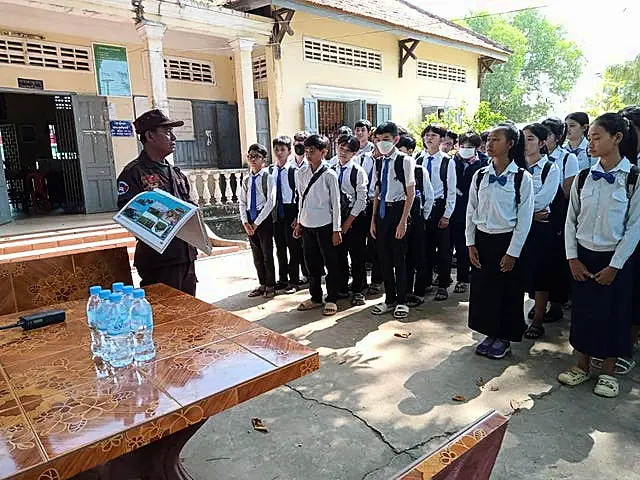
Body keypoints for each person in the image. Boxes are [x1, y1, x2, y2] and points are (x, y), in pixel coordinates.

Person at [558, 112, 640, 398]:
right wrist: (572, 258)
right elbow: (571, 220)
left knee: (615, 314)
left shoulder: (633, 178)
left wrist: (615, 266)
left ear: (616, 138)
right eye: (589, 137)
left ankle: (608, 371)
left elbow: (634, 227)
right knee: (583, 312)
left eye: (596, 137)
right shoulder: (583, 177)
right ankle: (581, 365)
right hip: (583, 256)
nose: (590, 143)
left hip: (615, 259)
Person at [466, 123, 534, 359]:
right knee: (484, 291)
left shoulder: (522, 178)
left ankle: (503, 337)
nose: (489, 144)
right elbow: (471, 211)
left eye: (496, 140)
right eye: (489, 139)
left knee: (507, 291)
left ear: (510, 144)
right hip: (483, 241)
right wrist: (470, 243)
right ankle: (488, 333)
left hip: (507, 241)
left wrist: (513, 252)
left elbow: (524, 219)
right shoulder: (480, 175)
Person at [117, 109, 198, 295]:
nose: (174, 138)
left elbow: (190, 208)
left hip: (185, 256)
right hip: (159, 261)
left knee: (190, 315)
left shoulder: (176, 173)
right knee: (165, 317)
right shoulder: (134, 173)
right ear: (150, 136)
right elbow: (130, 216)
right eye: (167, 132)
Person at [369, 122, 415, 319]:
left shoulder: (404, 161)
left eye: (386, 140)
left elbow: (410, 192)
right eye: (378, 140)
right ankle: (390, 299)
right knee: (384, 258)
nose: (382, 144)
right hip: (382, 214)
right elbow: (378, 192)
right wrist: (373, 220)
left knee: (399, 258)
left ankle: (402, 300)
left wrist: (403, 221)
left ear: (396, 140)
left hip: (398, 211)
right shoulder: (379, 161)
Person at [294, 134, 342, 316]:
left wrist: (336, 229)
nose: (308, 155)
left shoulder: (330, 174)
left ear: (323, 152)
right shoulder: (301, 173)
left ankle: (332, 298)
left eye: (312, 151)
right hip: (307, 225)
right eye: (306, 151)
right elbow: (301, 200)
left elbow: (335, 204)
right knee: (311, 264)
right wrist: (299, 222)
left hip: (326, 225)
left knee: (331, 263)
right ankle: (315, 297)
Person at [521, 124, 562, 340]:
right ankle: (515, 318)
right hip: (519, 228)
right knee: (517, 273)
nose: (526, 143)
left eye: (530, 139)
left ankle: (537, 321)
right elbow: (509, 200)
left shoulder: (550, 169)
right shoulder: (516, 168)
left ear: (542, 143)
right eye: (523, 138)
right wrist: (527, 213)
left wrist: (523, 211)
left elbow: (544, 200)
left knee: (540, 276)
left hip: (540, 230)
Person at [542, 116, 579, 323]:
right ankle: (540, 302)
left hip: (558, 217)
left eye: (547, 135)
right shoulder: (535, 158)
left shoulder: (567, 159)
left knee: (556, 263)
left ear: (557, 137)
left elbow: (567, 191)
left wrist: (545, 190)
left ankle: (555, 305)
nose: (543, 140)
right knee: (540, 263)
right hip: (539, 218)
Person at [417, 124, 457, 301]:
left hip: (440, 207)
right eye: (427, 135)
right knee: (424, 248)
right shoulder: (419, 159)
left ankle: (442, 285)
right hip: (422, 206)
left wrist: (447, 215)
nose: (429, 138)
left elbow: (451, 190)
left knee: (443, 250)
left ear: (441, 139)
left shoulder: (447, 161)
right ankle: (424, 281)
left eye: (433, 135)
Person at [333, 134, 369, 306]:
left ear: (354, 153)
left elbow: (361, 199)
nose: (343, 153)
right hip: (335, 218)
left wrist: (348, 222)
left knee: (357, 256)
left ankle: (358, 290)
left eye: (348, 150)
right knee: (339, 255)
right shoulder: (331, 168)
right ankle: (341, 287)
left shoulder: (358, 172)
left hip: (355, 219)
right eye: (341, 148)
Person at [398, 135, 434, 307]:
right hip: (400, 219)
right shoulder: (393, 168)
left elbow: (429, 197)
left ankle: (419, 291)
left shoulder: (419, 170)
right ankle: (405, 291)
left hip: (417, 219)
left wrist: (422, 218)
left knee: (419, 256)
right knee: (404, 258)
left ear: (410, 151)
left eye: (401, 150)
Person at [451, 132, 487, 294]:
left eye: (469, 147)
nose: (465, 149)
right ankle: (461, 277)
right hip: (457, 209)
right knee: (459, 245)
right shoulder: (453, 161)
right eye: (462, 146)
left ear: (477, 147)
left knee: (473, 245)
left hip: (477, 209)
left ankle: (472, 276)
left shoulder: (485, 163)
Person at [239, 143, 276, 299]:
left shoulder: (268, 177)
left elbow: (271, 202)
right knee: (256, 255)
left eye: (257, 157)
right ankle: (261, 283)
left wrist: (257, 222)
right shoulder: (247, 179)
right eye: (250, 156)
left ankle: (270, 285)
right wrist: (245, 221)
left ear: (264, 160)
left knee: (267, 254)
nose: (253, 159)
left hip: (263, 219)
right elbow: (241, 201)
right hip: (250, 218)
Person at [270, 136, 302, 294]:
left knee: (293, 248)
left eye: (282, 149)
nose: (279, 152)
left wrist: (297, 217)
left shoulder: (294, 171)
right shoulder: (271, 170)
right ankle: (282, 280)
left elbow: (300, 195)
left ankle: (294, 281)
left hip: (290, 210)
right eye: (276, 149)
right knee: (280, 248)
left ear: (289, 151)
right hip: (277, 212)